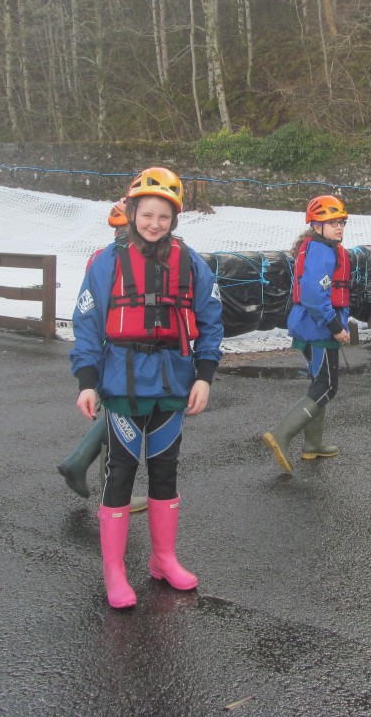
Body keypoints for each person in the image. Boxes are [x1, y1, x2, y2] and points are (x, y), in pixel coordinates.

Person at [70, 168, 224, 609]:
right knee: (120, 472)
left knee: (165, 470)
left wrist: (204, 375)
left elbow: (211, 321)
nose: (155, 224)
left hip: (173, 381)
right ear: (132, 212)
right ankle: (114, 570)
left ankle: (163, 559)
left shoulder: (191, 262)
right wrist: (87, 382)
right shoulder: (107, 261)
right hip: (123, 383)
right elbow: (87, 323)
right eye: (147, 214)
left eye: (164, 216)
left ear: (174, 219)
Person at [56, 198, 148, 514]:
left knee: (117, 414)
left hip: (108, 349)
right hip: (124, 351)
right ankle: (108, 489)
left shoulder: (101, 256)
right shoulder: (126, 258)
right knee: (122, 415)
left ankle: (83, 467)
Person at [263, 194, 351, 474]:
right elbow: (314, 294)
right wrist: (336, 327)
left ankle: (313, 443)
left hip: (312, 326)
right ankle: (282, 434)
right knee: (327, 386)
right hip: (319, 329)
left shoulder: (319, 247)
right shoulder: (322, 251)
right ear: (316, 226)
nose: (339, 227)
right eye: (333, 223)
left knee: (318, 382)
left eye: (341, 222)